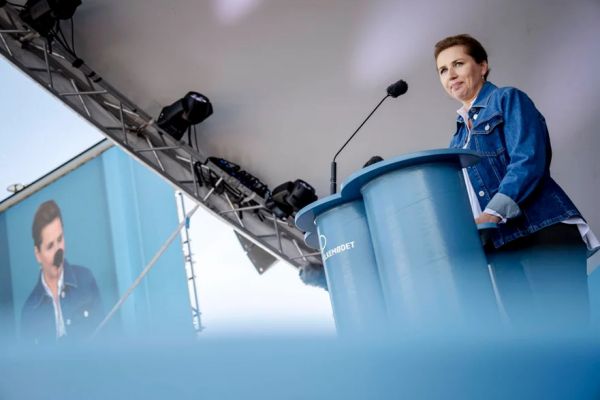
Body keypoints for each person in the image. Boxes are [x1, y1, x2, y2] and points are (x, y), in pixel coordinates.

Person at [434, 34, 599, 332]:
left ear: (482, 66)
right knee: (530, 344)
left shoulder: (507, 100)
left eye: (458, 64)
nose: (451, 75)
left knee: (567, 336)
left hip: (542, 232)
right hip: (502, 246)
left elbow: (528, 160)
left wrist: (492, 213)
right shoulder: (457, 139)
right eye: (443, 70)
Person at [21, 200, 103, 344]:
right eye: (50, 246)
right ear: (38, 254)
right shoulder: (29, 311)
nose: (58, 252)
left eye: (60, 239)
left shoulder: (86, 280)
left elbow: (105, 337)